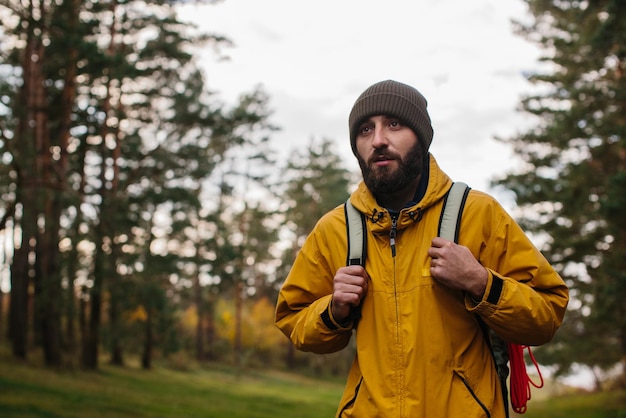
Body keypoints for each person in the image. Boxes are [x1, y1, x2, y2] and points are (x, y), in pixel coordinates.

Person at [274, 80, 569, 418]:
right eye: (366, 130)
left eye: (394, 124)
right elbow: (293, 318)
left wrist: (480, 282)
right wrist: (334, 310)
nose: (379, 140)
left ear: (421, 137)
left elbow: (546, 315)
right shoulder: (334, 229)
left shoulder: (478, 213)